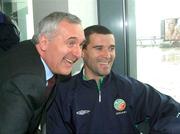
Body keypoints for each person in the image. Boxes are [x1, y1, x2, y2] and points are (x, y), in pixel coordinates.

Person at [47, 25, 180, 134]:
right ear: (83, 51)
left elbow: (172, 111)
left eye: (111, 48)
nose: (107, 55)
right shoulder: (64, 92)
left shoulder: (130, 88)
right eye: (99, 48)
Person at [0, 11, 85, 134]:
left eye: (81, 44)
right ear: (44, 42)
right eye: (71, 43)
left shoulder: (29, 49)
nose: (78, 53)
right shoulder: (26, 80)